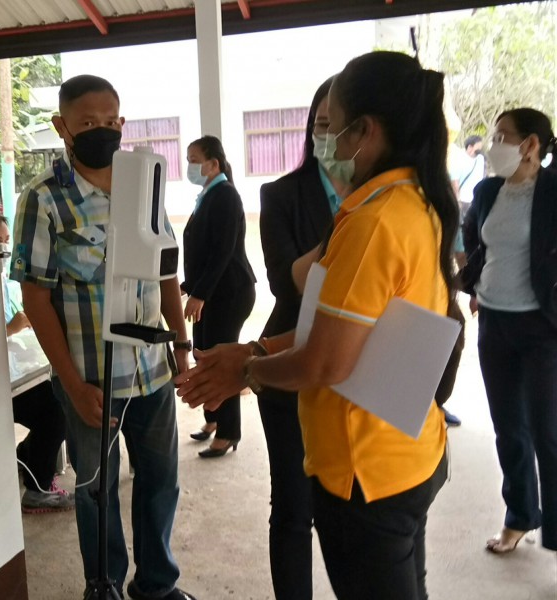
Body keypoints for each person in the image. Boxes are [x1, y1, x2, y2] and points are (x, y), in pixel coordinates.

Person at [175, 51, 459, 600]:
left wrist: (247, 371)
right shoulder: (414, 201)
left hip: (365, 471)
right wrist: (255, 350)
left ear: (365, 131)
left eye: (335, 126)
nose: (324, 140)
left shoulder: (371, 221)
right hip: (407, 451)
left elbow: (326, 360)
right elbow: (346, 328)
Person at [11, 74, 196, 600]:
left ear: (122, 123)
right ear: (62, 126)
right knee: (96, 491)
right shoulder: (45, 199)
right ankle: (104, 585)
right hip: (91, 382)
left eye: (110, 121)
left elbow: (165, 272)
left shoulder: (145, 186)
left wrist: (181, 346)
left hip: (152, 371)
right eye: (88, 122)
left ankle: (157, 585)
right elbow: (36, 301)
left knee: (160, 482)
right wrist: (72, 386)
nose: (102, 130)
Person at [256, 75, 344, 600]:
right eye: (322, 124)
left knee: (357, 509)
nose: (331, 136)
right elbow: (284, 282)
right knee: (293, 507)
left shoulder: (397, 199)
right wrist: (350, 225)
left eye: (345, 125)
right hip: (290, 360)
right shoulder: (281, 194)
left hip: (358, 365)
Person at [461, 108, 557, 555]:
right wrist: (475, 284)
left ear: (531, 145)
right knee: (508, 429)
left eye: (502, 136)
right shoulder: (487, 190)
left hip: (541, 327)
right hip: (494, 324)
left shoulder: (553, 191)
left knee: (547, 432)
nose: (493, 144)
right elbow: (474, 242)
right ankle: (519, 516)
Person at [182, 135, 255, 458]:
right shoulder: (208, 195)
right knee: (203, 353)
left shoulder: (225, 195)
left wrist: (199, 293)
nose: (189, 167)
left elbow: (222, 252)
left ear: (213, 164)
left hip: (229, 294)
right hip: (211, 292)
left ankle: (228, 432)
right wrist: (188, 286)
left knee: (220, 360)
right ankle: (212, 418)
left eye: (194, 160)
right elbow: (204, 251)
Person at [0, 213, 74, 513]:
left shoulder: (4, 280)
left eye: (6, 240)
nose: (4, 248)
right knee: (55, 413)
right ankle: (37, 490)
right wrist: (10, 328)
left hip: (16, 369)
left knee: (58, 398)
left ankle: (27, 458)